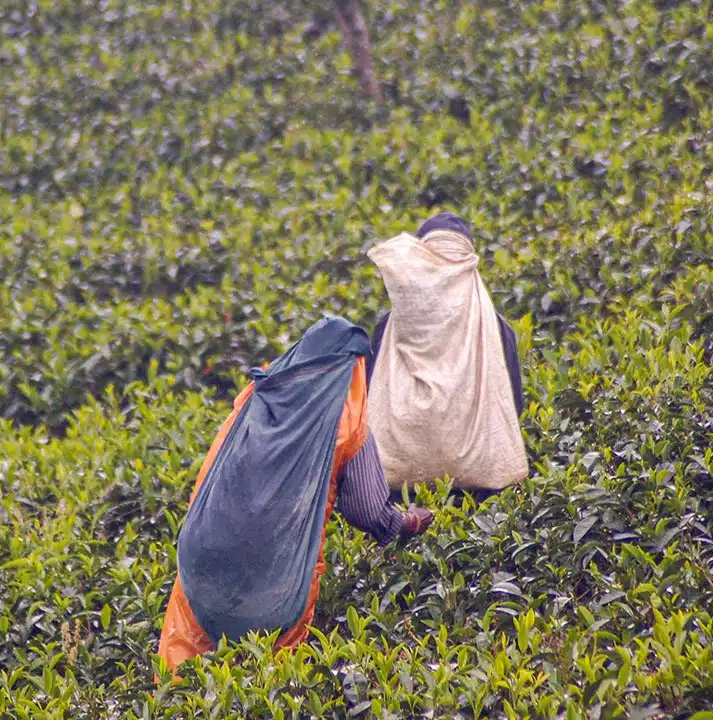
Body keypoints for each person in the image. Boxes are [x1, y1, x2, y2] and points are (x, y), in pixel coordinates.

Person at [157, 316, 435, 673]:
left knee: (186, 675)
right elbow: (366, 510)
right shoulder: (346, 417)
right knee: (266, 679)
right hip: (280, 573)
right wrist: (404, 523)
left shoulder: (262, 389)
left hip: (205, 554)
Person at [365, 212, 529, 494]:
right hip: (478, 498)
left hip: (398, 500)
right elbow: (511, 403)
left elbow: (368, 399)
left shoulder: (389, 326)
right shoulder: (497, 329)